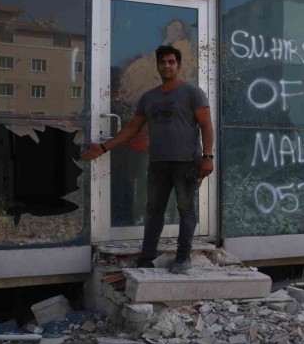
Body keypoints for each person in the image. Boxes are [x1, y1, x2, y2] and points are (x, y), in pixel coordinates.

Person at [81, 45, 214, 273]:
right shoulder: (149, 98)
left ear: (179, 66)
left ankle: (183, 258)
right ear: (157, 66)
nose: (166, 66)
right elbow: (132, 127)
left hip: (187, 162)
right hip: (158, 163)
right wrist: (103, 147)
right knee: (153, 210)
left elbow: (206, 125)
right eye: (162, 62)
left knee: (186, 209)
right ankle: (147, 256)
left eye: (171, 62)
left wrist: (208, 156)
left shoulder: (193, 93)